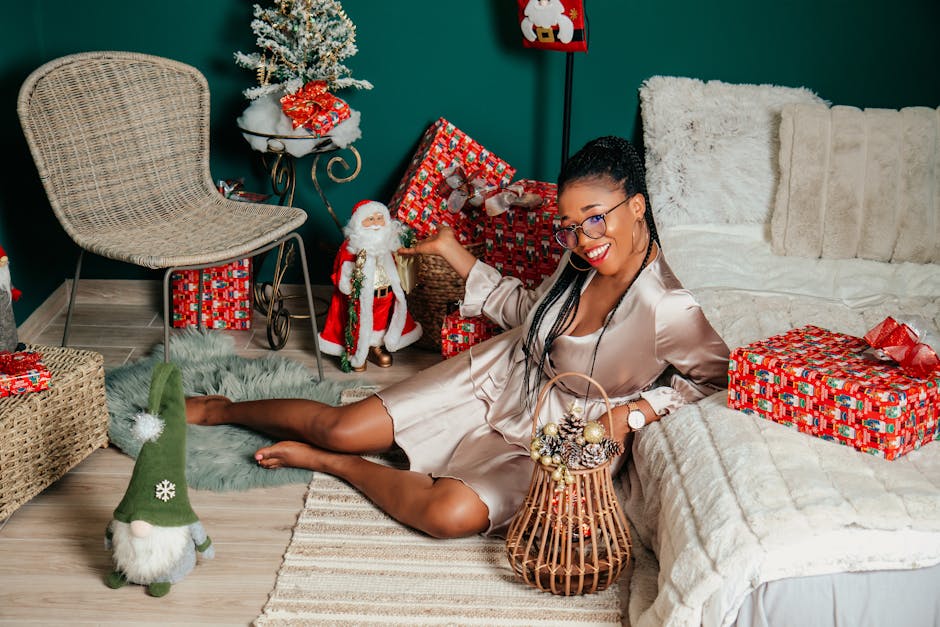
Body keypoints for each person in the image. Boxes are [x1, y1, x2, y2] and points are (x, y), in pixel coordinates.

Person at [186, 136, 730, 539]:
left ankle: (336, 466)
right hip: (502, 372)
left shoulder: (669, 308)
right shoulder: (578, 256)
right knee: (340, 425)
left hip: (558, 434)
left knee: (447, 516)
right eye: (569, 225)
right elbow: (527, 312)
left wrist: (633, 413)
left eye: (594, 219)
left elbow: (719, 381)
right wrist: (455, 252)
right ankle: (223, 410)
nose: (583, 239)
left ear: (637, 205)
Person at [317, 200, 422, 372]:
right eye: (370, 219)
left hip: (385, 295)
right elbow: (341, 270)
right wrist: (349, 284)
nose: (375, 223)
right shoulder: (351, 247)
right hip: (362, 296)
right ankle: (357, 351)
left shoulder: (388, 244)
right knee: (358, 322)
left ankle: (375, 347)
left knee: (381, 323)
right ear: (359, 223)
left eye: (379, 218)